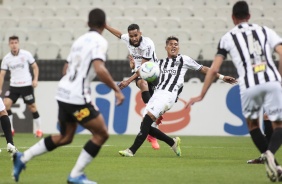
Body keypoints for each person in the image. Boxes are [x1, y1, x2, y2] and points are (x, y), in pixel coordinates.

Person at [12, 8, 125, 183]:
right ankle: (75, 175)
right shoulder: (100, 41)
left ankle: (23, 157)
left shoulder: (79, 41)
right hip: (77, 97)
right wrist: (116, 90)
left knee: (66, 137)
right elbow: (99, 68)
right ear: (104, 24)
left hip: (63, 92)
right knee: (101, 133)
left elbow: (65, 68)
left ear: (88, 24)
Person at [186, 1, 282, 182]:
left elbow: (214, 69)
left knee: (253, 126)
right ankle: (270, 154)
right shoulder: (264, 30)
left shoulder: (228, 37)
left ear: (233, 17)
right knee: (279, 126)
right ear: (249, 15)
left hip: (249, 85)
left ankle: (270, 160)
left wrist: (201, 94)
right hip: (272, 81)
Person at [118, 36, 236, 157]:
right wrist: (130, 77)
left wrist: (222, 77)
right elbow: (142, 70)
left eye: (176, 44)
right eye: (171, 44)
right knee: (145, 126)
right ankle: (172, 142)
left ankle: (131, 150)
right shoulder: (160, 63)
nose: (174, 46)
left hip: (169, 95)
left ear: (178, 47)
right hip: (158, 94)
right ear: (166, 47)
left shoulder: (184, 60)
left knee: (147, 121)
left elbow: (204, 69)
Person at [105, 23, 161, 150]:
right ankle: (152, 120)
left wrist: (127, 81)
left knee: (153, 108)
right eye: (131, 36)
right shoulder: (128, 39)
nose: (134, 38)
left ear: (140, 33)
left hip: (152, 71)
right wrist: (105, 26)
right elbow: (119, 34)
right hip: (140, 73)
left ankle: (153, 133)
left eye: (136, 35)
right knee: (143, 83)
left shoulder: (147, 44)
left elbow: (143, 67)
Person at [0, 36, 43, 138]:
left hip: (26, 85)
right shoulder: (6, 58)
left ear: (18, 43)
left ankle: (39, 130)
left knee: (32, 107)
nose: (14, 45)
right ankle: (11, 130)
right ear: (9, 45)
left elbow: (35, 66)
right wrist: (0, 88)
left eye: (15, 42)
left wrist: (35, 79)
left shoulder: (26, 54)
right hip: (14, 86)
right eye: (12, 43)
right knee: (6, 105)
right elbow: (2, 74)